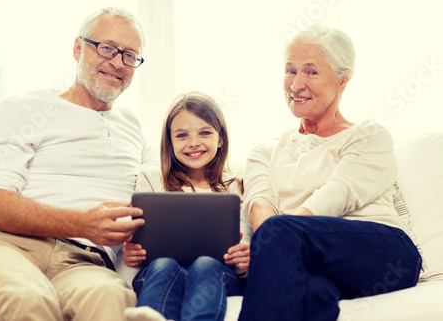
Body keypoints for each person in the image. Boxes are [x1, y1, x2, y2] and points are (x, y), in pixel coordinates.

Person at [0, 7, 155, 321]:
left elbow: (161, 197)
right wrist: (82, 223)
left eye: (130, 55)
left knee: (111, 297)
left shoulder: (136, 130)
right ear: (77, 48)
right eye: (107, 48)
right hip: (5, 246)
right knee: (26, 299)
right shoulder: (23, 108)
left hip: (85, 262)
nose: (117, 62)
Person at [238, 25, 422, 320]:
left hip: (384, 253)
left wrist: (269, 243)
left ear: (341, 81)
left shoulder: (368, 136)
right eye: (290, 71)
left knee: (279, 232)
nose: (296, 85)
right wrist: (271, 244)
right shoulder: (264, 150)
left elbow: (337, 194)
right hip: (307, 258)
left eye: (311, 72)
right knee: (313, 295)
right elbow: (259, 204)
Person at [122, 91, 252, 321]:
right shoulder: (151, 179)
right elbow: (138, 240)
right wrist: (133, 254)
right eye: (182, 135)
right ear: (169, 142)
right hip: (159, 271)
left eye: (204, 132)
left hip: (218, 274)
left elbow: (244, 251)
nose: (194, 143)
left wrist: (244, 260)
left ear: (220, 139)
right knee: (164, 265)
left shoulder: (238, 185)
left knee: (205, 265)